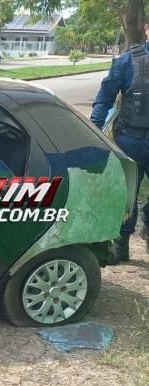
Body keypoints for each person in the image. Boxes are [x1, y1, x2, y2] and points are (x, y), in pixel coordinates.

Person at [91, 29, 149, 262]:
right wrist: (94, 130)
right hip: (130, 141)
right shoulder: (127, 61)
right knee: (126, 196)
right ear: (147, 28)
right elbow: (105, 97)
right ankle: (122, 242)